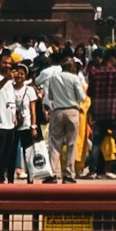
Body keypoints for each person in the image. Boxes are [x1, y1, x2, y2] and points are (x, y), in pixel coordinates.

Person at [42, 51, 86, 184]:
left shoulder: (53, 78)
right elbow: (82, 97)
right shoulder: (75, 78)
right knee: (71, 144)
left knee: (55, 143)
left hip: (57, 111)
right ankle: (68, 174)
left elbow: (50, 96)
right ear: (72, 66)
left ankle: (53, 173)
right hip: (72, 111)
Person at [87, 45, 116, 177]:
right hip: (114, 112)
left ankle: (93, 171)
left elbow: (90, 92)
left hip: (99, 113)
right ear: (112, 59)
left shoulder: (95, 73)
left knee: (96, 144)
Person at [0, 57, 24, 184]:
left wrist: (14, 116)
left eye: (9, 63)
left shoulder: (10, 80)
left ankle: (2, 177)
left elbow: (10, 99)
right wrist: (6, 79)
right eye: (5, 63)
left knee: (7, 154)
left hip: (10, 123)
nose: (7, 65)